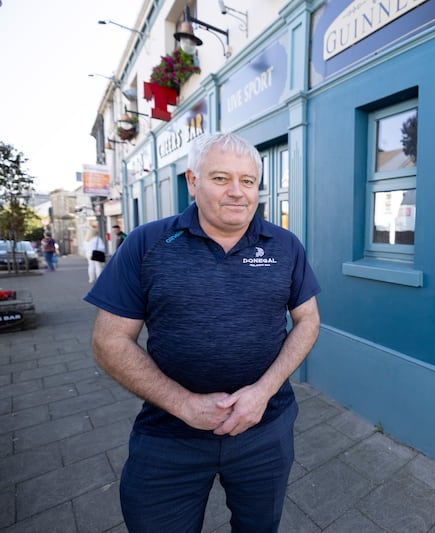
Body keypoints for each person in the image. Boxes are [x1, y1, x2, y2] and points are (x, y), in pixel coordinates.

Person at [84, 133, 321, 532]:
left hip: (264, 429)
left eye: (248, 181)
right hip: (169, 436)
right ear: (193, 181)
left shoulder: (284, 245)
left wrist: (262, 393)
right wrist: (184, 405)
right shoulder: (148, 243)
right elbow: (108, 341)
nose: (237, 192)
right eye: (221, 178)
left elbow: (308, 321)